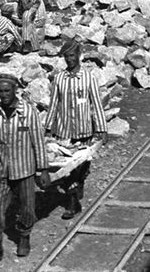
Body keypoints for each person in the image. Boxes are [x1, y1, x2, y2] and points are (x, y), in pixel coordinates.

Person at [0, 74, 50, 263]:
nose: (3, 95)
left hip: (24, 170)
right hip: (0, 168)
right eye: (0, 91)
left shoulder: (28, 112)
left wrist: (43, 169)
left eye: (7, 91)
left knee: (27, 208)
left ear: (15, 90)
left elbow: (38, 142)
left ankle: (24, 237)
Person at [46, 40, 107, 220]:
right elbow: (53, 105)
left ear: (78, 56)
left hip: (84, 130)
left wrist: (102, 128)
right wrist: (48, 128)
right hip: (65, 131)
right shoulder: (59, 79)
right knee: (69, 166)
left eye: (72, 56)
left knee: (81, 165)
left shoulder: (88, 78)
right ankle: (72, 203)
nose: (69, 60)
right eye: (66, 56)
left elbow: (96, 103)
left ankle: (78, 183)